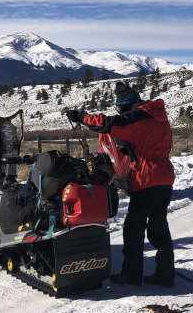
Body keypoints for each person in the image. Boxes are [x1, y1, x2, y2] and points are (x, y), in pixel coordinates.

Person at [66, 82, 175, 288]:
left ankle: (132, 275)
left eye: (119, 108)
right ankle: (165, 275)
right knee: (159, 228)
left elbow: (109, 123)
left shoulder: (138, 116)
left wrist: (81, 116)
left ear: (125, 105)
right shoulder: (157, 115)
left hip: (147, 178)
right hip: (164, 176)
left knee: (133, 229)